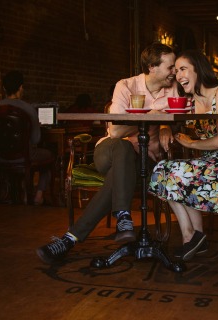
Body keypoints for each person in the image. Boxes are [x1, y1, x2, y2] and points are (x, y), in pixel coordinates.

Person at [35, 42, 180, 264]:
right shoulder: (126, 86)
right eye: (170, 67)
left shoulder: (174, 89)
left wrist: (166, 126)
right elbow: (116, 130)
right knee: (122, 146)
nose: (175, 72)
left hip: (145, 159)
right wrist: (153, 116)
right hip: (110, 150)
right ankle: (121, 215)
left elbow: (181, 117)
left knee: (119, 175)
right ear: (152, 67)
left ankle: (72, 238)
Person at [148, 50, 218, 261]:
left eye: (183, 69)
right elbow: (163, 113)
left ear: (198, 70)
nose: (178, 76)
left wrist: (193, 143)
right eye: (176, 71)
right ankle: (194, 235)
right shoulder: (191, 101)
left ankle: (193, 237)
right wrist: (165, 127)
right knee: (162, 169)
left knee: (180, 172)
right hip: (211, 160)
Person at [0, 70, 54, 205]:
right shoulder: (28, 109)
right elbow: (36, 140)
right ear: (21, 88)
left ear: (4, 88)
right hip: (25, 156)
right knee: (50, 155)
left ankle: (15, 194)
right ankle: (39, 195)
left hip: (1, 157)